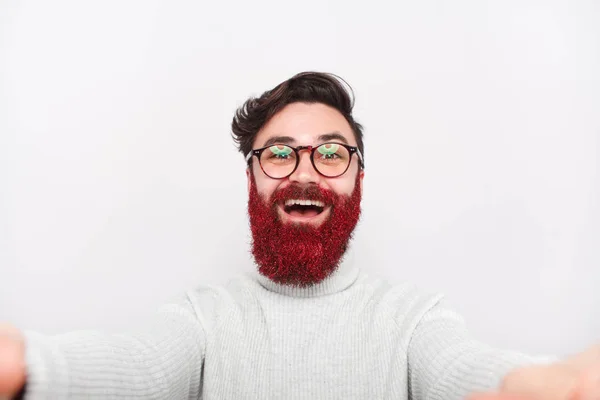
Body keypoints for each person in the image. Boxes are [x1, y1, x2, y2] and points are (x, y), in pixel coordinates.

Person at [0, 72, 598, 400]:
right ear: (253, 176)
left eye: (332, 154)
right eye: (281, 153)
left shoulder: (413, 320)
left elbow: (464, 368)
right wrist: (32, 367)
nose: (306, 171)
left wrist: (555, 383)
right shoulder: (202, 318)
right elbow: (142, 367)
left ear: (359, 178)